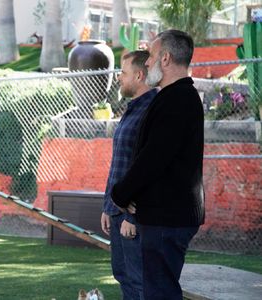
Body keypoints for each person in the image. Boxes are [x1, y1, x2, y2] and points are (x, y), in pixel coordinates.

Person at [111, 30, 205, 300]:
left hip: (168, 218)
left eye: (151, 56)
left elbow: (154, 158)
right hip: (164, 214)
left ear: (165, 59)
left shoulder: (178, 99)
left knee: (159, 292)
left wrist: (121, 194)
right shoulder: (171, 96)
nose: (148, 62)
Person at [101, 50, 157, 300]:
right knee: (123, 277)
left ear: (139, 74)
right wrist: (107, 207)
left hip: (132, 217)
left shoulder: (151, 111)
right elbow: (119, 163)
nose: (119, 78)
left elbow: (147, 169)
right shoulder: (132, 108)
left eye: (123, 73)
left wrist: (132, 218)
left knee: (138, 283)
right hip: (116, 212)